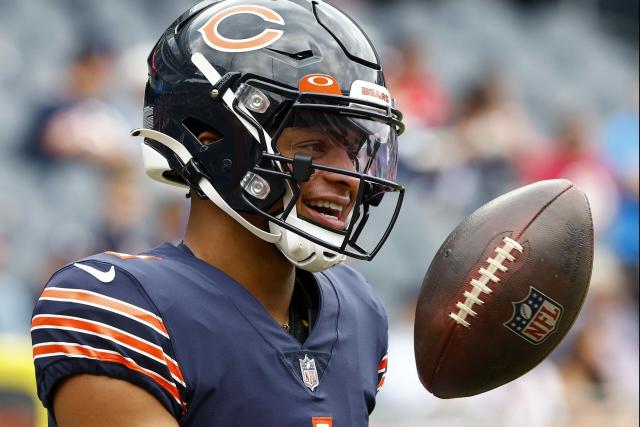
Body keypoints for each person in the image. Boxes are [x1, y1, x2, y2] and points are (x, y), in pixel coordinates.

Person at [30, 1, 405, 426]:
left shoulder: (357, 311)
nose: (349, 177)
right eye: (314, 147)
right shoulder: (121, 307)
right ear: (214, 143)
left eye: (354, 151)